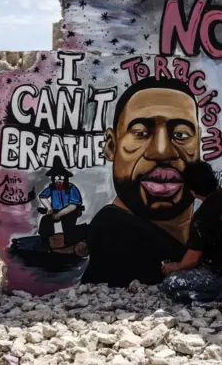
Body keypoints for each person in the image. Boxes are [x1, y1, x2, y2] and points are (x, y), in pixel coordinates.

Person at [80, 76, 201, 287]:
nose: (162, 152)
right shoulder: (113, 233)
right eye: (140, 133)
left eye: (181, 134)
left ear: (199, 147)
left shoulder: (205, 226)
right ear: (111, 147)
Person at [159, 160, 222, 304]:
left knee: (170, 285)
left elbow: (191, 260)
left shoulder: (202, 216)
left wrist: (174, 267)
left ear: (192, 191)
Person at [37, 157, 87, 256]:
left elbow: (73, 205)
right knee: (45, 222)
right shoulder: (51, 188)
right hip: (55, 210)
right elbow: (42, 197)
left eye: (61, 177)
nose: (58, 180)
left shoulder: (72, 188)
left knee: (68, 227)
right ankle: (46, 245)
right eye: (56, 177)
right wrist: (49, 208)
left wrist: (59, 213)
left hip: (69, 211)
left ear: (65, 177)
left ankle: (69, 246)